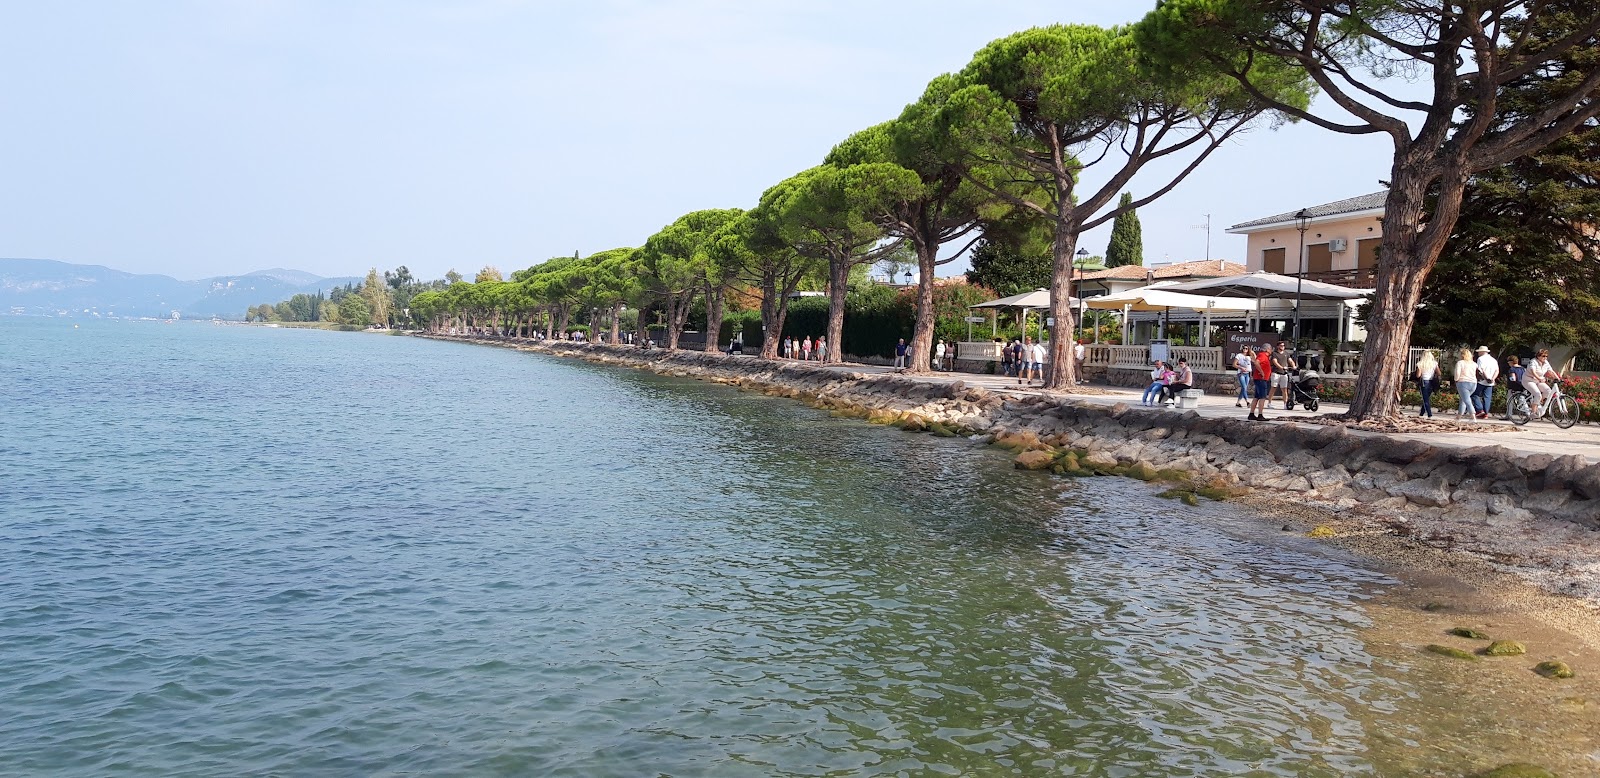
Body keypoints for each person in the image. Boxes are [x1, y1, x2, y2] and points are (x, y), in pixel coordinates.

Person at [1524, 348, 1559, 419]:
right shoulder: (1533, 362)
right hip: (1529, 380)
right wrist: (1540, 378)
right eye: (1543, 356)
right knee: (1537, 394)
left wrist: (1558, 378)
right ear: (1538, 356)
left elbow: (1551, 371)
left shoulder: (1546, 363)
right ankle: (1533, 412)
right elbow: (1533, 372)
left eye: (1546, 356)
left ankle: (1536, 403)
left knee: (1548, 391)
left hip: (1538, 381)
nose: (1545, 358)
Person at [1473, 345, 1499, 419]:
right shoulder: (1493, 360)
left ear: (1481, 352)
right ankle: (1486, 414)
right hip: (1491, 381)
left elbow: (1481, 370)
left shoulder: (1480, 359)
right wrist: (1493, 379)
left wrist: (1486, 378)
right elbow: (1497, 370)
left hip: (1482, 381)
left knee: (1474, 394)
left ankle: (1480, 410)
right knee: (1487, 398)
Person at [1248, 345, 1273, 421]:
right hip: (1261, 379)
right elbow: (1256, 363)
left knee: (1257, 397)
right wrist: (1262, 372)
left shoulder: (1265, 356)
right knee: (1262, 397)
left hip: (1260, 379)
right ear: (1267, 349)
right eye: (1270, 349)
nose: (1271, 350)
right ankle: (1260, 414)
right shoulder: (1262, 355)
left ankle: (1251, 414)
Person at [1452, 348, 1478, 420]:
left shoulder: (1460, 363)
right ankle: (1459, 416)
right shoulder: (1474, 364)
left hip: (1463, 382)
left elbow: (1457, 373)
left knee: (1466, 400)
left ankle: (1473, 416)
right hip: (1473, 383)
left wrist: (1456, 380)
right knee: (1463, 399)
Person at [1271, 341, 1297, 410]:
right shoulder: (1274, 353)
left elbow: (1290, 361)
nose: (1282, 347)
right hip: (1276, 373)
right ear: (1278, 346)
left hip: (1284, 373)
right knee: (1273, 388)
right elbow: (1275, 362)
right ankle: (1269, 403)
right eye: (1281, 345)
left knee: (1284, 389)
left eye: (1283, 345)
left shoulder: (1286, 353)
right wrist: (1281, 367)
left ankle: (1285, 404)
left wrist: (1294, 366)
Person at [1414, 349, 1439, 418]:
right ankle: (1421, 414)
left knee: (1425, 399)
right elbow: (1439, 373)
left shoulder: (1420, 363)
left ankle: (1429, 414)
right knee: (1426, 398)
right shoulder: (1434, 363)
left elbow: (1418, 375)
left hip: (1424, 382)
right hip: (1431, 382)